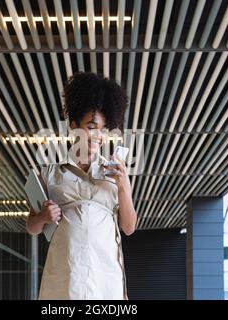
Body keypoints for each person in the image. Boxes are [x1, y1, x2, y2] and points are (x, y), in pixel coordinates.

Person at [26, 72, 137, 300]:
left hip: (104, 277)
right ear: (73, 126)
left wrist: (124, 186)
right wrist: (43, 217)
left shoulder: (115, 174)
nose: (99, 136)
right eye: (92, 127)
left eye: (104, 130)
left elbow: (128, 227)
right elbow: (32, 227)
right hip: (65, 278)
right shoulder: (50, 174)